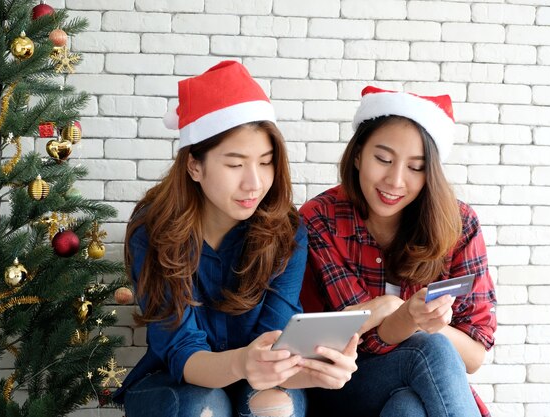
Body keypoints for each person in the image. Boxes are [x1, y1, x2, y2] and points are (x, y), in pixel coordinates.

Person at [112, 61, 359, 417]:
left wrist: (323, 374)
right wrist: (244, 363)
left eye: (265, 162)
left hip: (259, 380)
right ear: (195, 165)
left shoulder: (287, 233)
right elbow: (182, 350)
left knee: (274, 405)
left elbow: (277, 348)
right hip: (173, 381)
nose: (254, 183)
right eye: (235, 164)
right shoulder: (152, 229)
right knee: (204, 405)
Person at [299, 86, 497, 417]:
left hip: (424, 383)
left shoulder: (458, 224)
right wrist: (406, 316)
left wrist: (404, 315)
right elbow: (356, 340)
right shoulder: (321, 219)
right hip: (342, 386)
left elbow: (474, 357)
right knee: (429, 348)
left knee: (408, 406)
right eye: (383, 159)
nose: (395, 180)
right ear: (359, 154)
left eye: (416, 167)